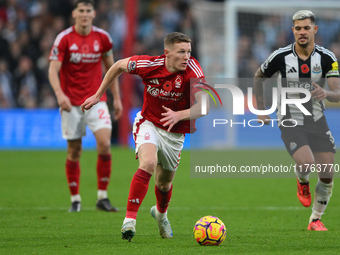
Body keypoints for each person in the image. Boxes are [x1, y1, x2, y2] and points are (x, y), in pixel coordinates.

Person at [81, 32, 208, 241]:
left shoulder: (193, 69)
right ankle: (129, 220)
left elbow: (205, 105)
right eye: (181, 52)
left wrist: (179, 115)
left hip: (175, 133)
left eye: (189, 52)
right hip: (148, 122)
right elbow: (118, 65)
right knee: (148, 162)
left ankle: (160, 214)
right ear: (167, 53)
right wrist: (98, 95)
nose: (187, 57)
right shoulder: (149, 65)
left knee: (164, 184)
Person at [254, 10, 340, 231]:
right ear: (293, 30)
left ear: (315, 30)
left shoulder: (327, 57)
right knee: (306, 162)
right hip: (289, 118)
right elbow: (259, 77)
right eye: (298, 28)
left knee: (328, 174)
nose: (302, 32)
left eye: (306, 28)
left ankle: (315, 219)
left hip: (317, 119)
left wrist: (327, 94)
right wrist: (261, 109)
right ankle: (302, 182)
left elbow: (337, 91)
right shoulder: (280, 56)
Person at [48, 0, 122, 213]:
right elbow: (53, 70)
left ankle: (102, 197)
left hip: (96, 101)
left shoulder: (103, 38)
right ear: (74, 13)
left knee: (105, 144)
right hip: (71, 103)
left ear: (93, 14)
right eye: (81, 10)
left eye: (88, 11)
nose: (84, 14)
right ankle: (75, 199)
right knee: (74, 151)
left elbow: (113, 70)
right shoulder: (64, 38)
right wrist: (59, 94)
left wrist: (116, 98)